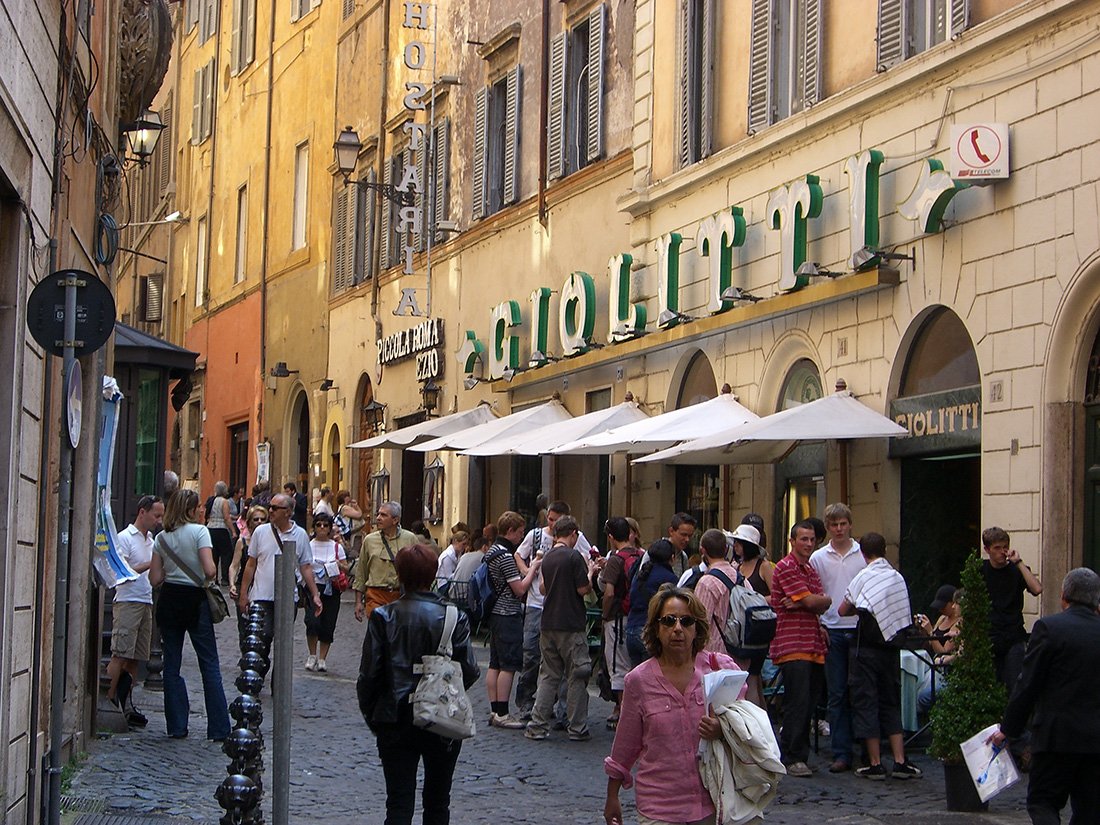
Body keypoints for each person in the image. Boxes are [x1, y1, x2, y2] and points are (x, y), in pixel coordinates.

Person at [358, 543, 480, 825]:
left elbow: (368, 675)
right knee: (438, 802)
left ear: (399, 574)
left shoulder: (384, 616)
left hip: (395, 716)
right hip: (441, 717)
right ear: (433, 574)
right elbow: (469, 669)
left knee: (399, 804)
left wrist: (375, 716)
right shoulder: (453, 616)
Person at [604, 586, 741, 825]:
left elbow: (743, 723)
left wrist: (722, 729)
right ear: (656, 628)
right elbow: (625, 744)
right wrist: (612, 796)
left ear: (696, 628)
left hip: (709, 803)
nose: (677, 629)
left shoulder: (716, 671)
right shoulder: (638, 681)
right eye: (669, 621)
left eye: (686, 621)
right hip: (659, 807)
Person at [990, 568, 1100, 825]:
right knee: (1090, 811)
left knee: (1043, 803)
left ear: (1064, 596)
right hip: (1095, 741)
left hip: (1055, 738)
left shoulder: (1050, 628)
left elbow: (1027, 684)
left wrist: (1008, 729)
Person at [837, 532, 922, 780]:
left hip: (864, 649)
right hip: (890, 648)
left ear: (863, 554)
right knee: (890, 702)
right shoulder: (897, 577)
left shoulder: (863, 577)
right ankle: (900, 760)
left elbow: (843, 609)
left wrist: (861, 607)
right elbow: (900, 610)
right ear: (885, 550)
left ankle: (874, 763)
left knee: (866, 702)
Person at [148, 489, 231, 741]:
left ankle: (176, 725)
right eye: (198, 508)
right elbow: (209, 570)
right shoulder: (199, 532)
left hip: (170, 599)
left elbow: (154, 578)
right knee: (209, 663)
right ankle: (218, 728)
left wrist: (172, 569)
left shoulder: (161, 538)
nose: (201, 511)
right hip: (195, 600)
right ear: (191, 510)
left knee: (171, 665)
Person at [513, 500, 593, 719]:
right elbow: (519, 556)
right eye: (550, 519)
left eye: (557, 521)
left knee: (551, 669)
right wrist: (528, 571)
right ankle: (529, 704)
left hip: (553, 607)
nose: (553, 525)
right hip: (540, 606)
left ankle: (549, 713)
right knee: (532, 656)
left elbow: (589, 555)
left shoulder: (575, 544)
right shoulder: (535, 536)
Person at [771, 520, 831, 777]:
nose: (808, 543)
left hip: (813, 644)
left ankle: (799, 754)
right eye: (803, 539)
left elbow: (820, 602)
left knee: (809, 703)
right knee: (797, 702)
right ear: (792, 541)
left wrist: (811, 602)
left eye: (811, 539)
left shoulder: (810, 570)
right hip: (792, 644)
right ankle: (792, 756)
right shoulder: (786, 567)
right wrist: (809, 602)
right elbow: (812, 600)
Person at [809, 502, 865, 773]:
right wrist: (819, 624)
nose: (839, 529)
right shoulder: (818, 558)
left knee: (862, 691)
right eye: (834, 525)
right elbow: (815, 591)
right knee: (837, 693)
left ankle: (866, 748)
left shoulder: (862, 553)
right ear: (828, 527)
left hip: (859, 628)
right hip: (832, 628)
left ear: (850, 524)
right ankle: (842, 751)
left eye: (843, 524)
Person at [106, 495, 165, 728]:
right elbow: (122, 570)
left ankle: (125, 703)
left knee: (135, 659)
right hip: (128, 600)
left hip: (145, 600)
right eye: (156, 515)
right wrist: (153, 563)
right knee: (120, 653)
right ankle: (108, 701)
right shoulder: (124, 537)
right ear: (143, 512)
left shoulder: (151, 540)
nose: (159, 520)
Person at [237, 493, 323, 639]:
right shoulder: (260, 532)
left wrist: (315, 594)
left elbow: (306, 567)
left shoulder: (300, 535)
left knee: (283, 640)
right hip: (261, 595)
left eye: (275, 508)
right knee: (262, 636)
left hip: (288, 597)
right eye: (270, 507)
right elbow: (251, 564)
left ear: (288, 512)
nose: (270, 511)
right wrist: (244, 594)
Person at [485, 510, 542, 729]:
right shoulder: (505, 556)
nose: (521, 536)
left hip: (494, 613)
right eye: (519, 532)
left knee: (494, 663)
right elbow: (519, 589)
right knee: (507, 665)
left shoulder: (491, 551)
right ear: (510, 531)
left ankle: (493, 709)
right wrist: (533, 569)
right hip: (507, 612)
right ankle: (502, 712)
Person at [980, 527, 1043, 696]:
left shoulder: (1016, 570)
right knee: (990, 688)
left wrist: (1019, 563)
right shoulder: (980, 570)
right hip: (989, 636)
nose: (1002, 552)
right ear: (987, 550)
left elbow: (1036, 589)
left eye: (1005, 547)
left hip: (1013, 636)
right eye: (997, 548)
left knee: (1015, 686)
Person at [599, 516, 642, 729]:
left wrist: (605, 614)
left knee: (619, 668)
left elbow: (608, 593)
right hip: (637, 617)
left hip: (617, 618)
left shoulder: (616, 560)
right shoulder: (641, 556)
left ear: (610, 537)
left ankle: (626, 718)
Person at [354, 501, 420, 621]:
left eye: (384, 515)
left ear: (395, 520)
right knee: (378, 632)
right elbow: (361, 572)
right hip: (375, 595)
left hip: (401, 596)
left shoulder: (410, 539)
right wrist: (358, 602)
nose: (378, 518)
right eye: (378, 514)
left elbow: (419, 569)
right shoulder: (369, 540)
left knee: (397, 635)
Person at [304, 512, 348, 672]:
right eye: (318, 524)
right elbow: (302, 565)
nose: (322, 527)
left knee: (328, 623)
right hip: (313, 587)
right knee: (312, 621)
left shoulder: (336, 547)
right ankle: (312, 655)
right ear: (314, 527)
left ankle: (322, 658)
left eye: (325, 525)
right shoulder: (308, 545)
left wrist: (338, 565)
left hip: (331, 588)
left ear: (330, 528)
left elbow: (346, 567)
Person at [625, 538, 679, 668]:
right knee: (651, 678)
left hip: (631, 629)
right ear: (672, 557)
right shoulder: (669, 578)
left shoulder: (641, 574)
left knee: (636, 677)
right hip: (648, 631)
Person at [914, 585, 962, 714]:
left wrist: (931, 631)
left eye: (944, 606)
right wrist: (923, 630)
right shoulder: (942, 619)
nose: (941, 609)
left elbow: (942, 650)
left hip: (944, 669)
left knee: (922, 696)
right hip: (931, 664)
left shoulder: (959, 625)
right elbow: (930, 643)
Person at [229, 505, 269, 637]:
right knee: (244, 626)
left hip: (263, 587)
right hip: (245, 586)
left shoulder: (270, 541)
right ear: (249, 522)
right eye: (256, 519)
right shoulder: (242, 542)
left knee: (263, 627)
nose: (259, 522)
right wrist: (232, 584)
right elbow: (234, 565)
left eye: (262, 519)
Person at [206, 481, 238, 586]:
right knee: (226, 554)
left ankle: (213, 578)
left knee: (213, 554)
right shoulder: (224, 502)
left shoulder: (211, 500)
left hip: (210, 528)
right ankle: (225, 578)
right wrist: (233, 531)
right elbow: (226, 517)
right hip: (221, 529)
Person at [435, 530, 469, 595]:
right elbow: (448, 576)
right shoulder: (447, 556)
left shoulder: (458, 554)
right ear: (456, 541)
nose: (465, 547)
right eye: (463, 544)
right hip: (444, 585)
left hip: (452, 583)